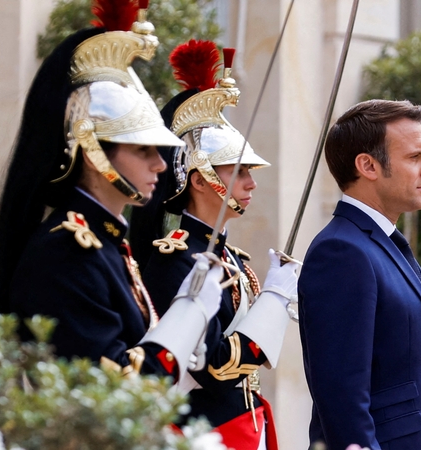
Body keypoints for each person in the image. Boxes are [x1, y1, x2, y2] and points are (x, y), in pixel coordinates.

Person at [0, 0, 224, 382]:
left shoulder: (109, 245)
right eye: (142, 150)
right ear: (92, 151)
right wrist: (188, 315)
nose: (160, 165)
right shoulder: (67, 251)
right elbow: (117, 385)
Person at [130, 39, 298, 450]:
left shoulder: (228, 256)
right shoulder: (177, 259)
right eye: (240, 171)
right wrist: (274, 302)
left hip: (246, 421)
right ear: (202, 178)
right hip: (209, 430)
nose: (251, 183)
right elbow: (214, 364)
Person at [298, 99, 421, 450]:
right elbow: (342, 396)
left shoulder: (383, 243)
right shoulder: (341, 251)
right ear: (367, 165)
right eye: (414, 157)